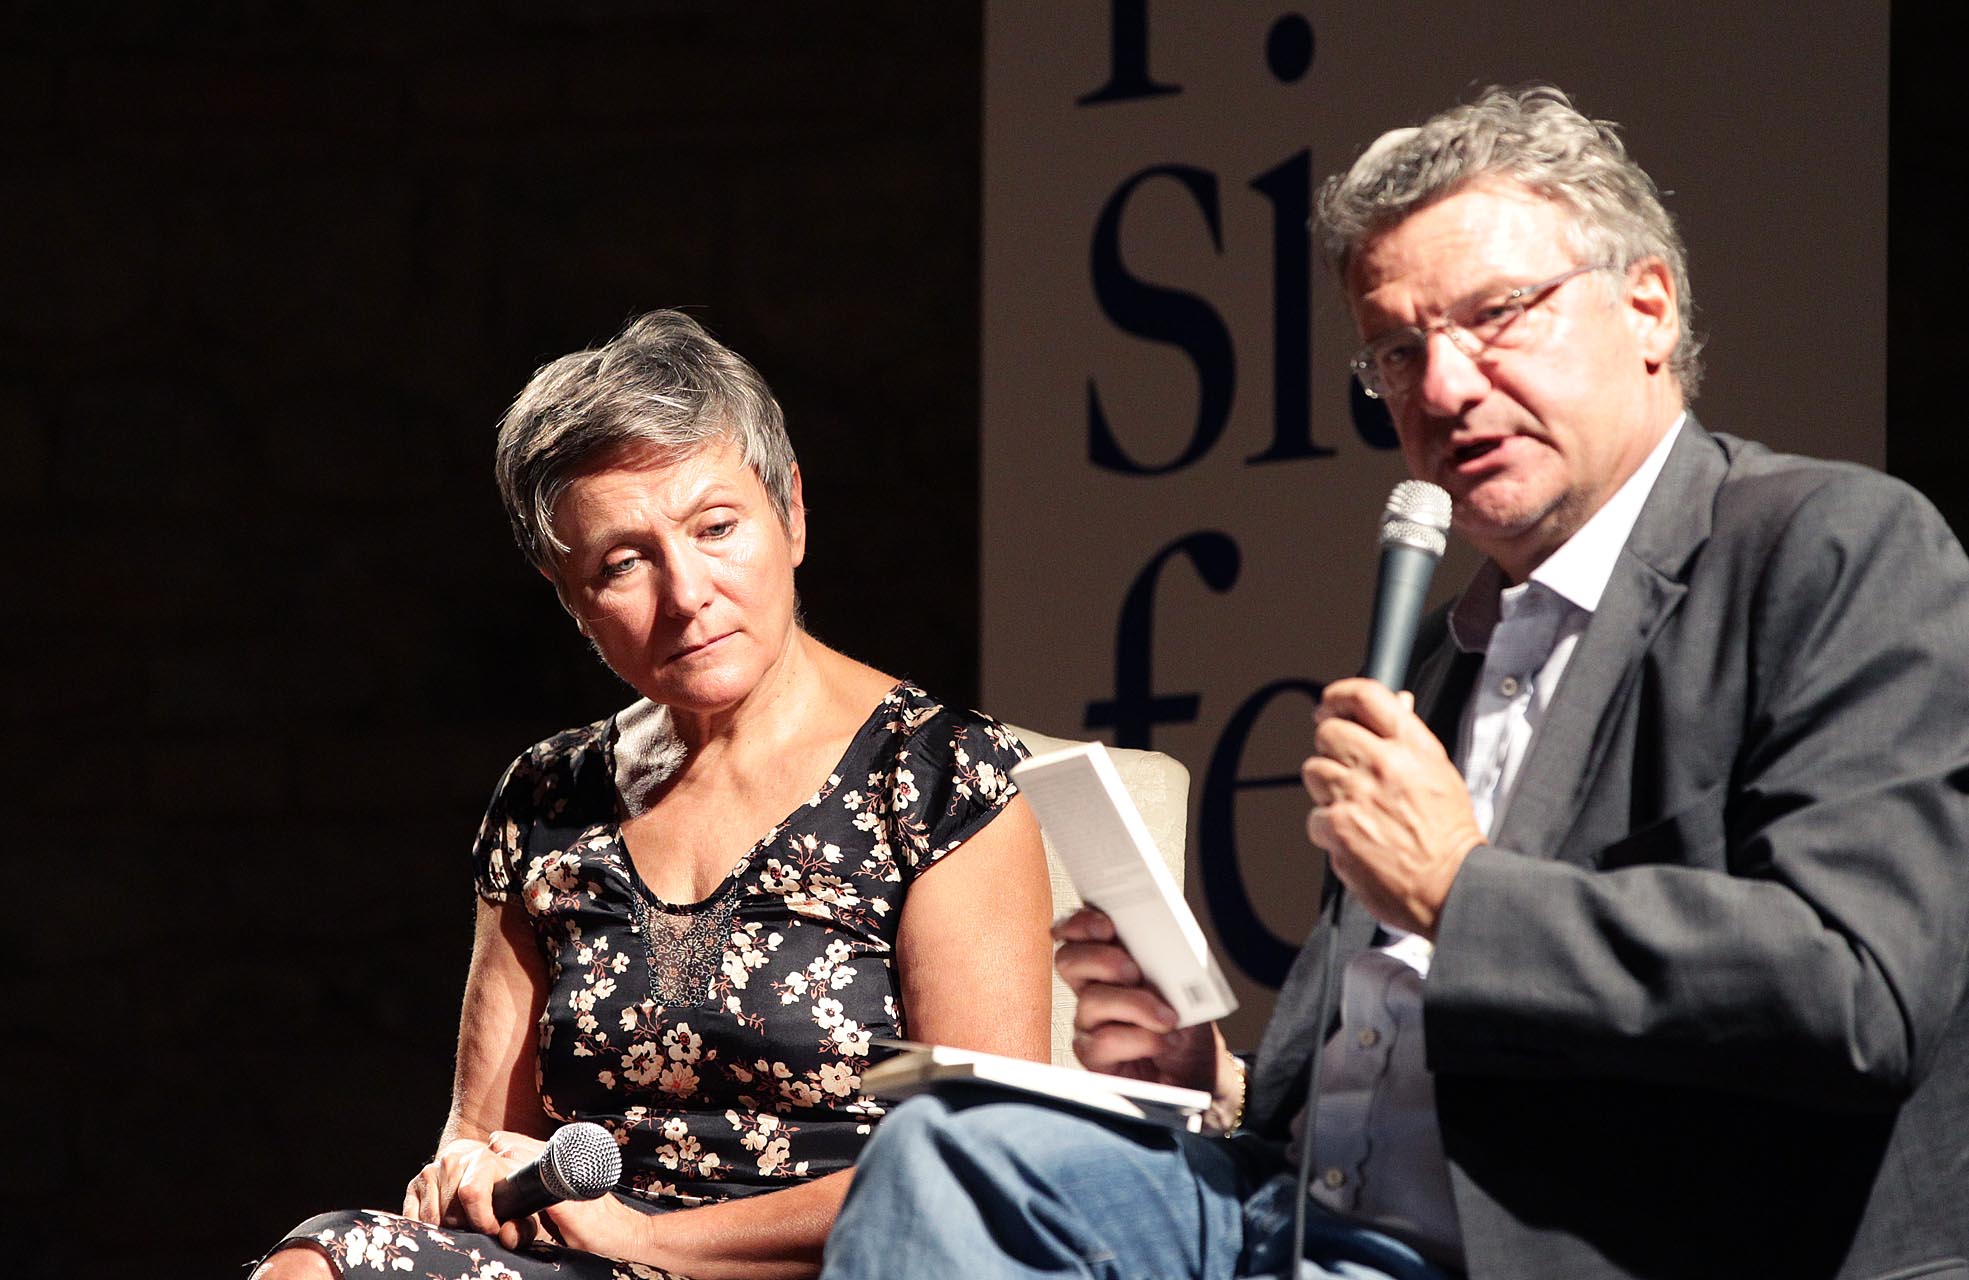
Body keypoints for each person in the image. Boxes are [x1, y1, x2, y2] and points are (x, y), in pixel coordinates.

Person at [815, 86, 1969, 1280]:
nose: (1445, 388)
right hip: (1303, 1218)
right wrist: (1207, 1076)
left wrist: (1459, 893)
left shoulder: (1830, 547)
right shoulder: (1445, 654)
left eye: (1497, 316)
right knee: (952, 1148)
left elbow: (1859, 991)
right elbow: (1376, 1089)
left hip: (1589, 1241)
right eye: (1400, 350)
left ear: (1646, 307)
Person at [253, 310, 1053, 1280]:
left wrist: (653, 1241)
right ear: (569, 593)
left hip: (840, 1262)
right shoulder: (548, 796)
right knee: (317, 1263)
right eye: (623, 562)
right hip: (577, 1262)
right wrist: (468, 1173)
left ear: (792, 513)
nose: (686, 593)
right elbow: (479, 1135)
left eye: (716, 528)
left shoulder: (938, 775)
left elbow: (982, 1160)